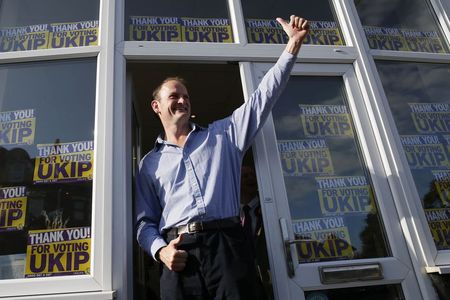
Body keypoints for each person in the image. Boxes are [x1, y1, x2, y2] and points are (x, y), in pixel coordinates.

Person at [135, 15, 309, 299]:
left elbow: (262, 98)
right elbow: (144, 222)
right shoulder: (149, 163)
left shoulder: (224, 135)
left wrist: (292, 47)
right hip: (180, 254)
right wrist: (161, 251)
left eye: (186, 97)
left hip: (227, 246)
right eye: (174, 96)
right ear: (156, 106)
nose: (182, 100)